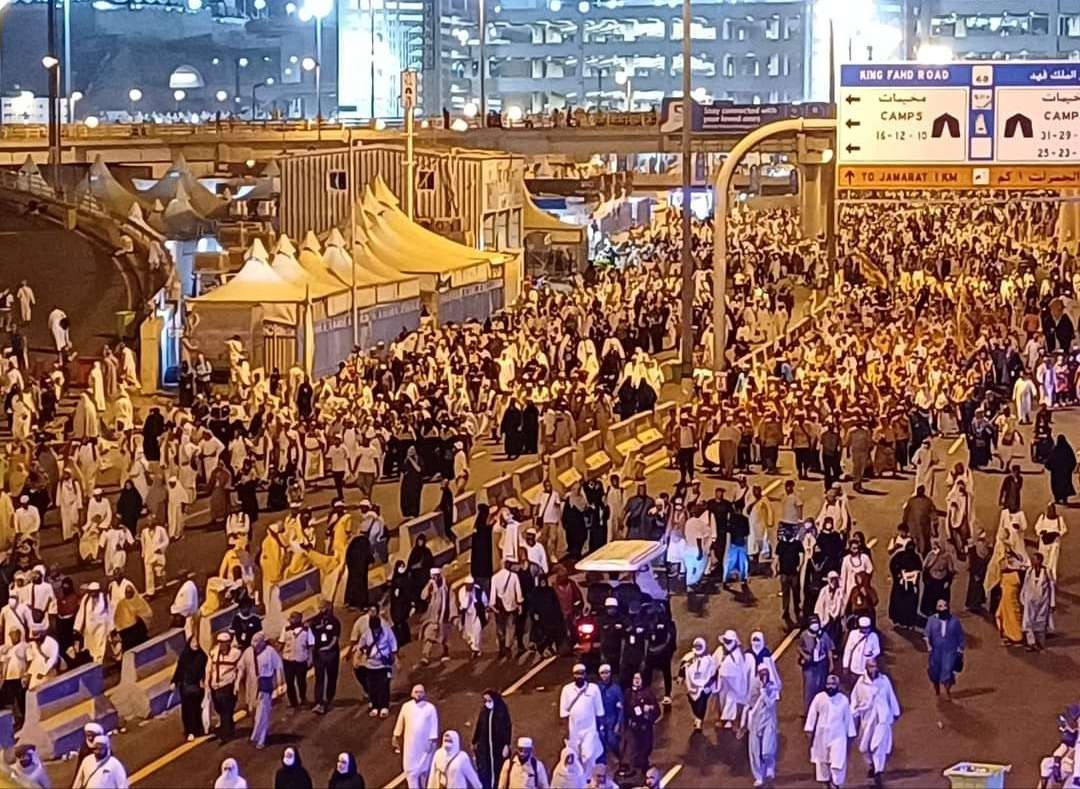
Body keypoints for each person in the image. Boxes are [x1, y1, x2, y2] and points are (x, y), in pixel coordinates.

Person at [850, 658, 901, 785]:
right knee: (864, 747)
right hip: (867, 720)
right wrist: (854, 713)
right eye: (871, 666)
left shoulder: (884, 681)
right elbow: (854, 701)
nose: (873, 669)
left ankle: (878, 771)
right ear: (866, 667)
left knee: (878, 746)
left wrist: (895, 712)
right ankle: (872, 765)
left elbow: (891, 696)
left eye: (875, 666)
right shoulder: (861, 683)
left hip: (882, 719)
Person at [804, 674, 856, 789]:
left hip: (838, 736)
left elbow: (847, 718)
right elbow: (812, 714)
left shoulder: (843, 700)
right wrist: (809, 729)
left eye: (833, 684)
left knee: (837, 763)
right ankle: (826, 784)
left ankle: (836, 784)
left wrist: (850, 734)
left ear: (837, 686)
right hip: (821, 735)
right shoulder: (819, 697)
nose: (830, 687)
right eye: (828, 684)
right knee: (822, 761)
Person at [239, 631, 285, 749]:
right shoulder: (248, 652)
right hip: (251, 686)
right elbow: (241, 667)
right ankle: (257, 734)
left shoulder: (270, 652)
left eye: (258, 644)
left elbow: (278, 667)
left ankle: (261, 738)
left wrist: (280, 684)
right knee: (253, 712)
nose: (255, 647)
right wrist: (237, 683)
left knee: (262, 713)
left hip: (265, 685)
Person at [560, 663, 605, 775]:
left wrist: (600, 727)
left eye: (581, 673)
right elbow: (564, 713)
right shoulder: (567, 690)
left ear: (585, 674)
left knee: (588, 755)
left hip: (589, 729)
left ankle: (589, 779)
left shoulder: (593, 689)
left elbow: (599, 711)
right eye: (577, 674)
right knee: (575, 756)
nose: (579, 676)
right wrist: (566, 731)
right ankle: (578, 779)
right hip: (573, 729)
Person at [352, 606, 397, 718]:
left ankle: (384, 706)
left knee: (384, 686)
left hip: (383, 664)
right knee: (372, 687)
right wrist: (357, 658)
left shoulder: (387, 632)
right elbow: (361, 647)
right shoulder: (367, 634)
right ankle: (375, 706)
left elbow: (393, 645)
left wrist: (397, 660)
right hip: (370, 665)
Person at [393, 684, 440, 789]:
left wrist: (432, 740)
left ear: (424, 694)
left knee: (425, 772)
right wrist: (396, 735)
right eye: (416, 692)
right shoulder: (406, 706)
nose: (418, 694)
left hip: (425, 746)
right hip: (410, 746)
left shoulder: (430, 708)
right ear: (411, 693)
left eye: (421, 692)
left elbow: (434, 725)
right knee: (410, 772)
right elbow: (400, 722)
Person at [747, 664, 780, 788]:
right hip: (756, 720)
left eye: (765, 673)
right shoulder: (753, 686)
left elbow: (771, 704)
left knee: (767, 750)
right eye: (761, 673)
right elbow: (749, 703)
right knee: (754, 750)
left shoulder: (773, 686)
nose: (763, 676)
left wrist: (764, 693)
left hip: (768, 719)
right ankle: (759, 776)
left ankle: (770, 766)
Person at [924, 598, 965, 699]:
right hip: (936, 652)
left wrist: (960, 649)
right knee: (935, 672)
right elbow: (926, 635)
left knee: (947, 670)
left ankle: (947, 691)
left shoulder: (954, 621)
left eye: (944, 606)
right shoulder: (932, 620)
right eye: (940, 606)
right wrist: (928, 646)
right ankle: (937, 688)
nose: (943, 608)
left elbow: (960, 636)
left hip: (950, 651)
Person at [170, 634, 208, 741]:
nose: (195, 644)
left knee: (196, 709)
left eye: (197, 642)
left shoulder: (202, 656)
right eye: (193, 642)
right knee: (187, 710)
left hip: (197, 688)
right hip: (185, 688)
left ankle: (198, 729)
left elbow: (206, 671)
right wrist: (174, 682)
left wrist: (204, 681)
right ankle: (190, 731)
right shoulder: (184, 656)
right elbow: (179, 670)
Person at [474, 689, 513, 789]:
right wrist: (475, 742)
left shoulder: (501, 712)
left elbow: (507, 728)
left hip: (498, 748)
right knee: (485, 770)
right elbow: (479, 727)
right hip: (485, 749)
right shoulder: (484, 712)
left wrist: (506, 744)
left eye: (489, 700)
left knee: (499, 770)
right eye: (485, 701)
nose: (487, 703)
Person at [206, 631, 241, 741]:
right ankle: (229, 727)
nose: (222, 645)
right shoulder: (213, 653)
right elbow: (208, 669)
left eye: (224, 642)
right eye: (220, 642)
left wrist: (236, 685)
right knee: (220, 709)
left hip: (227, 685)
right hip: (215, 686)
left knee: (226, 709)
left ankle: (225, 734)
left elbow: (240, 670)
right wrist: (207, 683)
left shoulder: (236, 653)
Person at [796, 615, 834, 713]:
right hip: (809, 666)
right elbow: (799, 647)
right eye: (812, 623)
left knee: (821, 686)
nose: (815, 625)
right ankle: (808, 711)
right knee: (809, 688)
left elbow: (829, 649)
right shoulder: (804, 635)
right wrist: (804, 655)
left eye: (816, 623)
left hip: (822, 664)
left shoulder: (823, 635)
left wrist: (831, 663)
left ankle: (821, 708)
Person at [677, 637, 716, 732]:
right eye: (696, 646)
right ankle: (697, 715)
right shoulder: (688, 657)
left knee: (702, 701)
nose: (698, 648)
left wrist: (710, 684)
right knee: (694, 703)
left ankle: (699, 720)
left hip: (704, 686)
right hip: (691, 686)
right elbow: (682, 668)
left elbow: (714, 672)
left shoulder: (709, 659)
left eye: (700, 646)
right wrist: (680, 677)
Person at [310, 597, 342, 714]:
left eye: (324, 607)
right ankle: (319, 701)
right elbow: (311, 636)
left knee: (332, 676)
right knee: (319, 678)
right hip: (319, 652)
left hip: (331, 653)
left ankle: (329, 698)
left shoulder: (335, 622)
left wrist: (328, 647)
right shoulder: (315, 621)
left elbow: (335, 637)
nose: (322, 609)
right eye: (321, 607)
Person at [623, 671, 659, 774]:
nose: (637, 680)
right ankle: (633, 770)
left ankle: (644, 768)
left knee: (645, 748)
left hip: (645, 726)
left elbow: (656, 710)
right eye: (635, 678)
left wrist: (649, 709)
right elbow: (625, 710)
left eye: (639, 678)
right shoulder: (628, 693)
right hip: (633, 727)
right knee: (633, 749)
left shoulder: (648, 692)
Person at [1021, 551, 1056, 652]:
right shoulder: (1029, 571)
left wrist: (1052, 603)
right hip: (1030, 600)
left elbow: (1051, 588)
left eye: (1035, 559)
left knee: (1040, 621)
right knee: (1028, 621)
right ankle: (1031, 643)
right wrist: (1023, 597)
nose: (1033, 561)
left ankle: (1040, 643)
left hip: (1043, 601)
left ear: (1040, 560)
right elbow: (1025, 585)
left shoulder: (1047, 572)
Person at [279, 610, 314, 709]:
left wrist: (310, 658)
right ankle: (293, 701)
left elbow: (311, 645)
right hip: (288, 660)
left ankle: (303, 699)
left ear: (298, 619)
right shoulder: (286, 630)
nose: (290, 620)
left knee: (301, 681)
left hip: (301, 659)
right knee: (289, 682)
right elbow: (281, 643)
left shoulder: (306, 630)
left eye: (293, 618)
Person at [1046, 435, 1077, 504]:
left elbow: (1049, 460)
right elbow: (1073, 461)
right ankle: (1064, 498)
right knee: (1064, 485)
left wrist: (1050, 467)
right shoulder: (1068, 449)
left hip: (1056, 473)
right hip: (1065, 473)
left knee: (1056, 486)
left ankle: (1057, 499)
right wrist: (1070, 469)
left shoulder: (1056, 450)